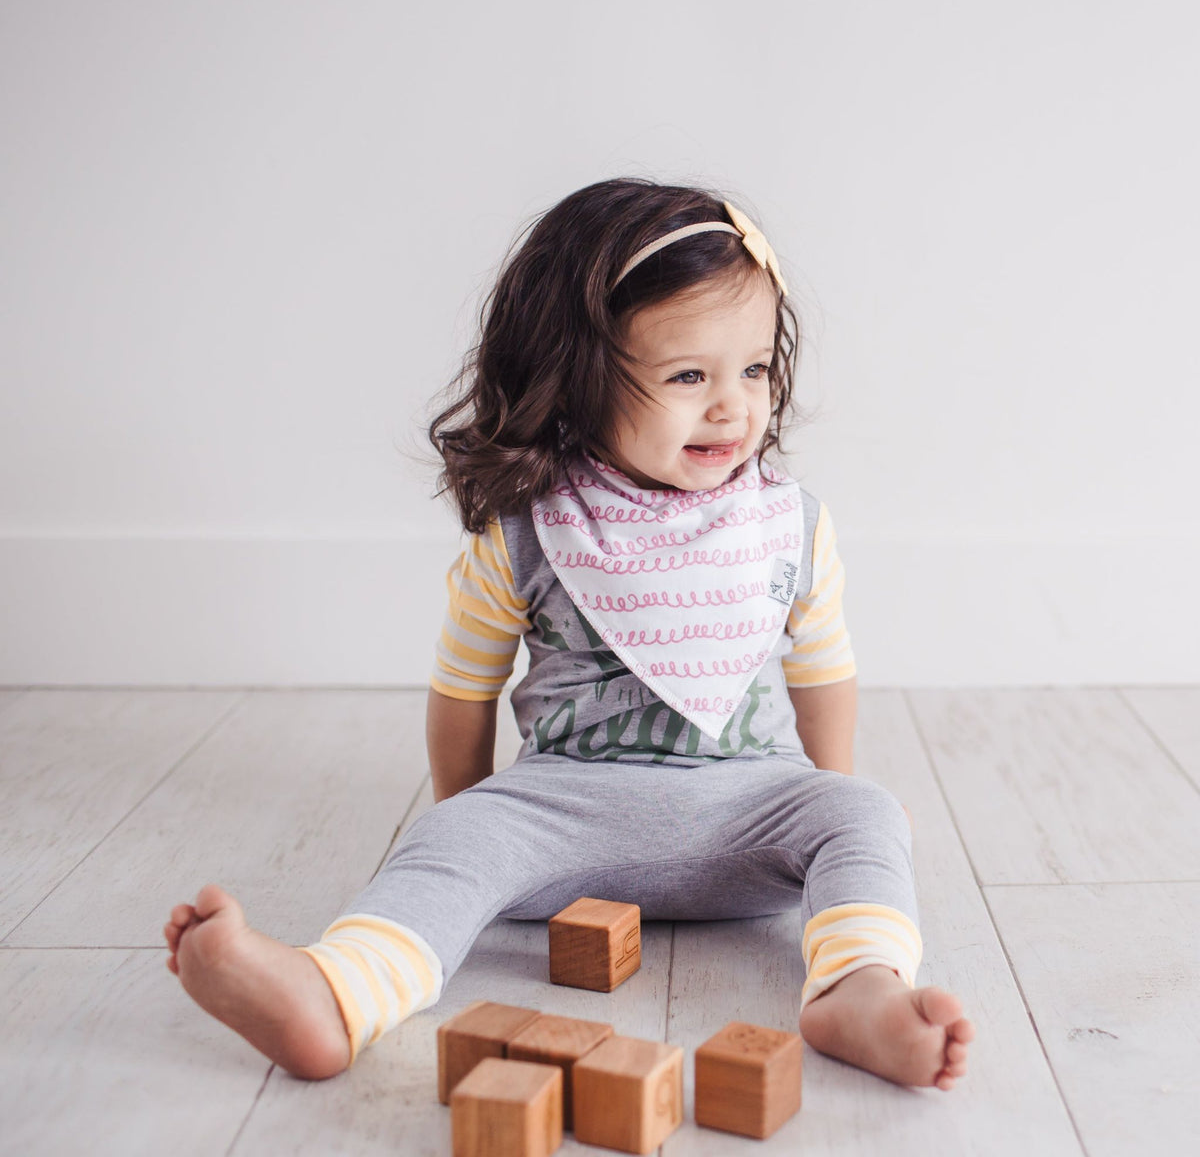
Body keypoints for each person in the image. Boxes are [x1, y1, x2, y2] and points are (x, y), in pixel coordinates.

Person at [163, 177, 974, 1091]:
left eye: (753, 369)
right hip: (559, 822)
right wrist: (468, 817)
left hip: (750, 824)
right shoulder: (527, 529)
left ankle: (856, 990)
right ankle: (337, 992)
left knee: (865, 813)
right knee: (446, 844)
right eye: (686, 376)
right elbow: (463, 687)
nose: (732, 407)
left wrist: (823, 804)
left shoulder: (789, 524)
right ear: (577, 377)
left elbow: (824, 672)